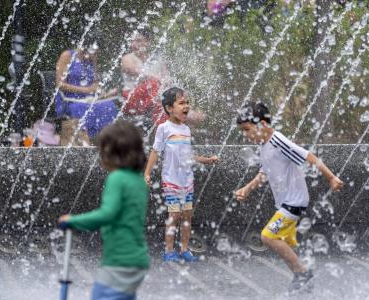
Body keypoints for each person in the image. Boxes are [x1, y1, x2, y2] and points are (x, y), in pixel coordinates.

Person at [234, 102, 343, 292]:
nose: (245, 135)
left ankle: (302, 273)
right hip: (285, 203)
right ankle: (302, 274)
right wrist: (247, 188)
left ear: (262, 124)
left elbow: (309, 157)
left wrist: (332, 178)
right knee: (281, 240)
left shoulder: (278, 141)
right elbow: (264, 173)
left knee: (268, 236)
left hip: (294, 202)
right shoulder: (265, 145)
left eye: (247, 129)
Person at [58, 120, 149, 300]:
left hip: (119, 260)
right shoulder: (138, 181)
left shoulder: (117, 178)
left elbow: (108, 214)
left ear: (111, 152)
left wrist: (72, 221)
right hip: (137, 259)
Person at [144, 87, 219, 262]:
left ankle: (184, 249)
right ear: (169, 108)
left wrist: (206, 160)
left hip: (187, 180)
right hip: (171, 179)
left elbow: (188, 155)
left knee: (187, 215)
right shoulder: (163, 128)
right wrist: (147, 173)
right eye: (181, 103)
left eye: (187, 103)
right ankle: (169, 250)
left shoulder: (186, 129)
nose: (186, 106)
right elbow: (155, 151)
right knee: (174, 215)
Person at [55, 39, 118, 146]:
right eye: (91, 52)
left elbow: (95, 82)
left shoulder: (92, 57)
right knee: (80, 109)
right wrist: (85, 90)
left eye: (95, 52)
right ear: (83, 48)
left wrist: (103, 92)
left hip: (88, 99)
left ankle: (106, 144)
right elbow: (60, 84)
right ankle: (84, 144)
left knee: (110, 106)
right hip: (69, 100)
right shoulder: (67, 56)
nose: (92, 55)